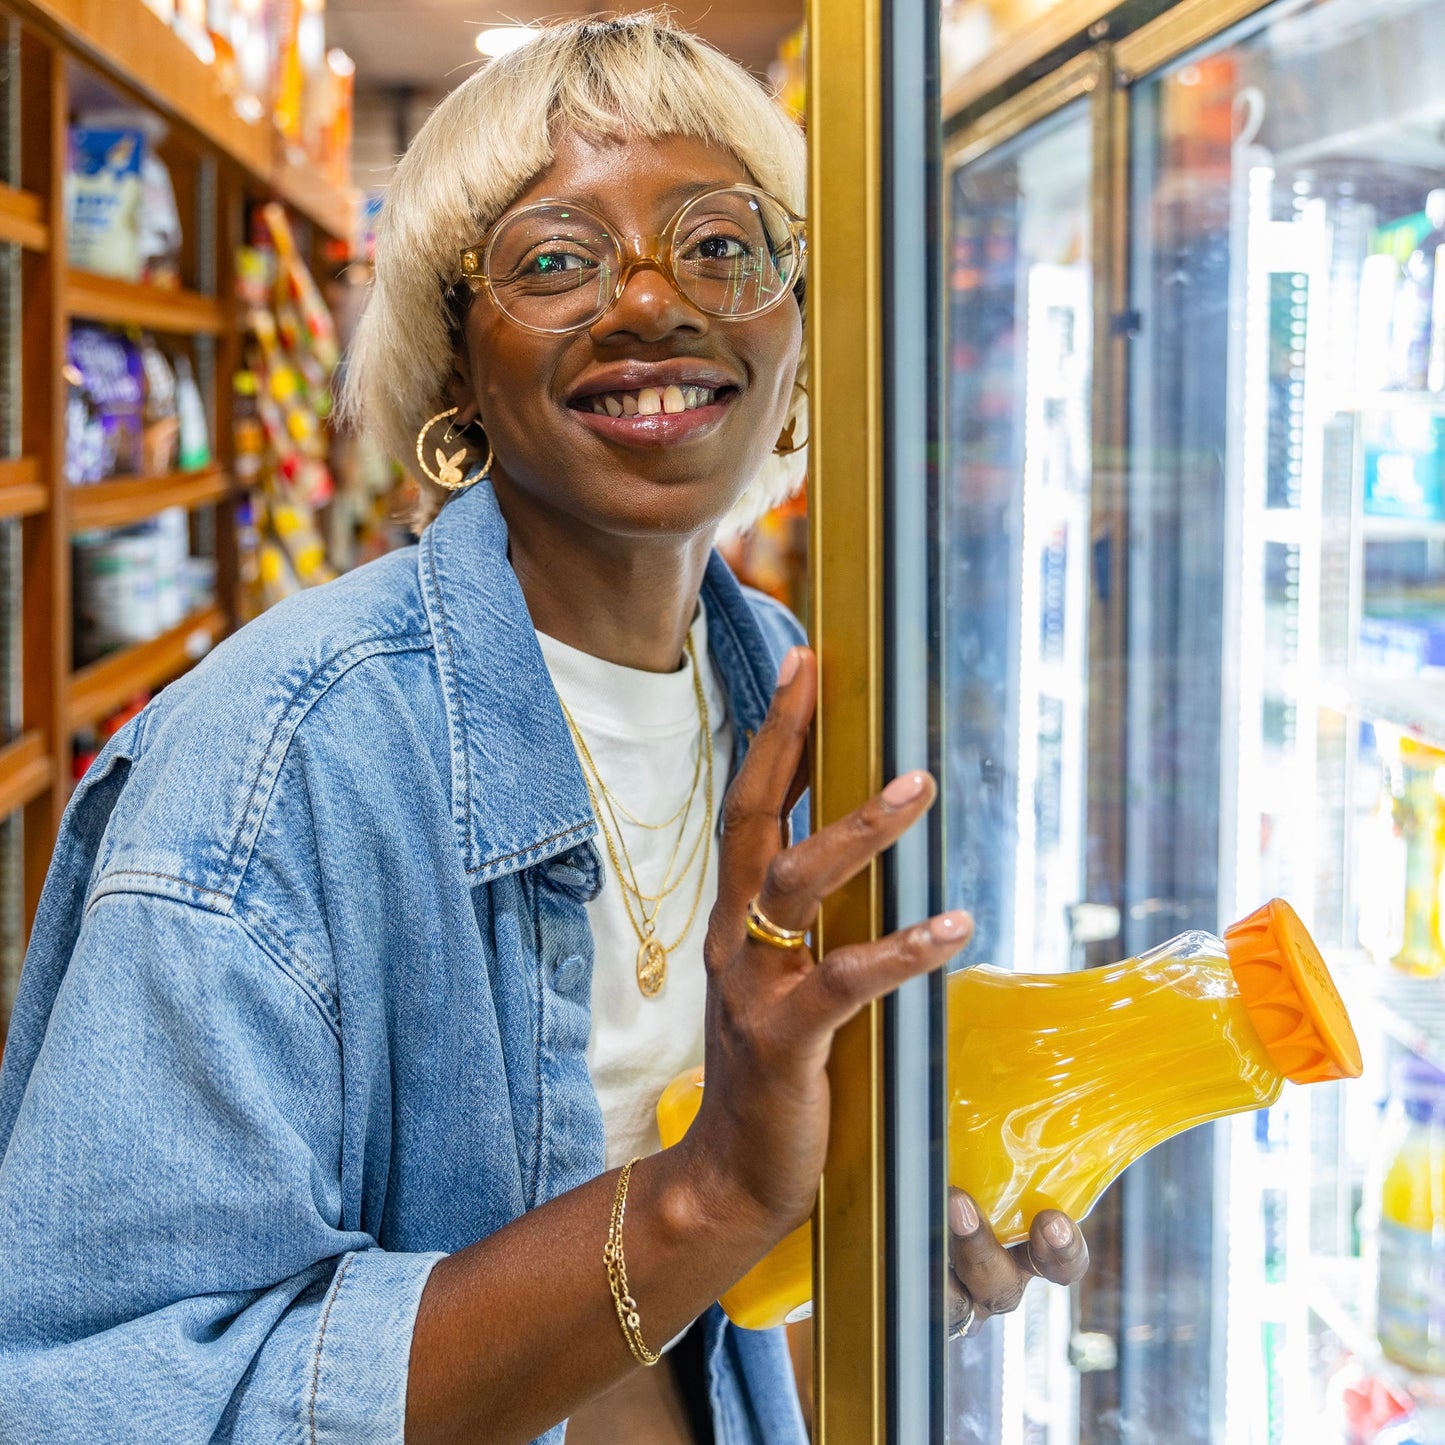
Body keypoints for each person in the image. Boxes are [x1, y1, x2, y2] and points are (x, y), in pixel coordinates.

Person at [0, 17, 1087, 1444]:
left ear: (800, 333)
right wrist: (704, 1196)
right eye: (557, 260)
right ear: (456, 373)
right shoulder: (268, 768)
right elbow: (96, 1400)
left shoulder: (822, 711)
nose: (651, 301)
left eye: (719, 245)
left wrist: (889, 1248)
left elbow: (749, 1317)